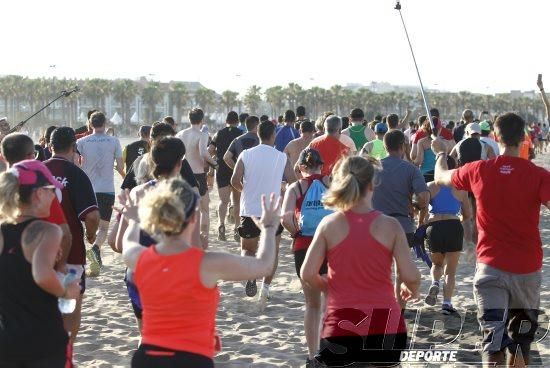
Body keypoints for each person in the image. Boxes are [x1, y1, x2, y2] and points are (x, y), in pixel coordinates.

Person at [119, 178, 281, 368]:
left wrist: (134, 220)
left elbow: (128, 244)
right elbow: (264, 266)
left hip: (147, 358)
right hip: (191, 359)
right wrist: (269, 229)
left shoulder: (140, 258)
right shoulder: (207, 264)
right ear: (194, 217)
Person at [432, 112, 550, 367]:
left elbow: (441, 177)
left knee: (492, 344)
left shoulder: (479, 170)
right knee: (520, 346)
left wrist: (441, 154)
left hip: (490, 270)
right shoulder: (538, 175)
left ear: (496, 137)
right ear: (524, 137)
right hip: (527, 271)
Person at [301, 156, 421, 367]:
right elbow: (411, 275)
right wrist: (412, 288)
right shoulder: (391, 226)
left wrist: (328, 285)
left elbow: (307, 273)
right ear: (372, 184)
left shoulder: (328, 225)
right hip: (385, 322)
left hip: (341, 323)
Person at [0, 160, 80, 367]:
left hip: (6, 339)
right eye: (51, 190)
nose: (55, 196)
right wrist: (66, 290)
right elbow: (42, 275)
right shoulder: (48, 230)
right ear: (38, 194)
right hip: (43, 340)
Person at [114, 137, 190, 331]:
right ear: (180, 163)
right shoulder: (186, 196)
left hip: (139, 275)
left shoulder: (137, 192)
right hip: (172, 276)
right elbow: (194, 248)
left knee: (146, 336)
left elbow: (118, 243)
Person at [231, 120, 296, 308]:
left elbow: (234, 179)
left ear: (258, 134)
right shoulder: (280, 157)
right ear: (273, 135)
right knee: (272, 253)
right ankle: (265, 289)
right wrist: (283, 189)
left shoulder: (246, 154)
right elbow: (293, 180)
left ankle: (250, 276)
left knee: (248, 249)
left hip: (249, 209)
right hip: (272, 211)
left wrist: (246, 190)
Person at [45, 127, 101, 345]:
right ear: (73, 148)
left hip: (36, 250)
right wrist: (90, 234)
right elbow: (93, 216)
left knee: (43, 305)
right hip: (71, 254)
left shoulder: (35, 171)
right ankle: (66, 354)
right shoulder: (76, 174)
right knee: (70, 307)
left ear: (49, 147)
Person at [281, 148, 330, 365]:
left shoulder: (296, 187)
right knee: (332, 302)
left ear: (301, 167)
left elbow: (285, 218)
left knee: (312, 305)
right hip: (331, 246)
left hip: (304, 247)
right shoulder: (332, 184)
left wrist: (295, 233)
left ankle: (312, 356)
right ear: (322, 166)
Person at [372, 130, 429, 308]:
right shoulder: (410, 169)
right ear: (402, 146)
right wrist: (415, 205)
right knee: (400, 270)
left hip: (375, 224)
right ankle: (398, 309)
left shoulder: (373, 168)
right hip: (402, 225)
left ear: (385, 146)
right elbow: (424, 197)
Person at [1, 133, 72, 272]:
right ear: (30, 156)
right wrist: (61, 265)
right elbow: (65, 234)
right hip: (37, 273)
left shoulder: (4, 188)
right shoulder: (40, 191)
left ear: (3, 157)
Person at [77, 111, 124, 276]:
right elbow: (119, 166)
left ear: (90, 124)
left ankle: (92, 250)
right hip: (107, 189)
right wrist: (126, 178)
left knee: (86, 224)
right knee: (103, 227)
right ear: (105, 124)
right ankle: (95, 249)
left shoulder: (81, 141)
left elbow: (76, 164)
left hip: (87, 189)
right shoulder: (114, 141)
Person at [423, 156, 473, 315]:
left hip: (434, 227)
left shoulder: (430, 186)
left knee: (436, 265)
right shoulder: (462, 189)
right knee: (450, 271)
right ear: (454, 168)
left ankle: (435, 282)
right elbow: (468, 215)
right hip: (453, 226)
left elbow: (421, 208)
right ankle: (446, 303)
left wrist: (423, 224)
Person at [176, 108, 218, 249]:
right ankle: (203, 238)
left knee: (184, 208)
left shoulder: (180, 134)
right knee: (204, 209)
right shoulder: (202, 134)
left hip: (182, 174)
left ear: (189, 119)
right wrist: (214, 163)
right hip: (198, 175)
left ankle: (185, 238)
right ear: (202, 120)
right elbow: (203, 152)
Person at [208, 111, 243, 241]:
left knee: (223, 201)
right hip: (236, 169)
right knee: (237, 202)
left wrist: (213, 165)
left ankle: (221, 225)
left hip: (222, 169)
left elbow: (209, 151)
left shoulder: (219, 133)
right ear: (237, 121)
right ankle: (237, 229)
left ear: (226, 121)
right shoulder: (241, 134)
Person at [413, 118, 438, 182]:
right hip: (439, 174)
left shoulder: (421, 142)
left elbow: (419, 161)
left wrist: (412, 162)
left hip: (426, 174)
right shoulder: (443, 142)